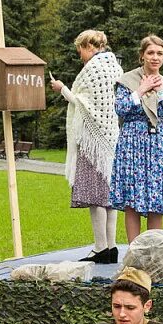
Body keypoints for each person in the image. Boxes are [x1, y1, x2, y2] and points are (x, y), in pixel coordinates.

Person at [52, 29, 124, 263]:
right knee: (109, 197)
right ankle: (112, 247)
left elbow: (82, 103)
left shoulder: (93, 68)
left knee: (95, 196)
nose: (80, 55)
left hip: (92, 141)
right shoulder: (115, 66)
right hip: (111, 136)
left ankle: (100, 247)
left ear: (89, 47)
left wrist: (62, 89)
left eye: (80, 50)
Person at [111, 36, 163, 242]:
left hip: (158, 145)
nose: (155, 58)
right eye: (150, 53)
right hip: (132, 144)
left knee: (155, 200)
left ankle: (153, 252)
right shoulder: (128, 80)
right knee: (132, 201)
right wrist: (140, 90)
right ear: (142, 55)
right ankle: (134, 252)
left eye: (159, 53)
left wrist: (159, 92)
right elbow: (120, 109)